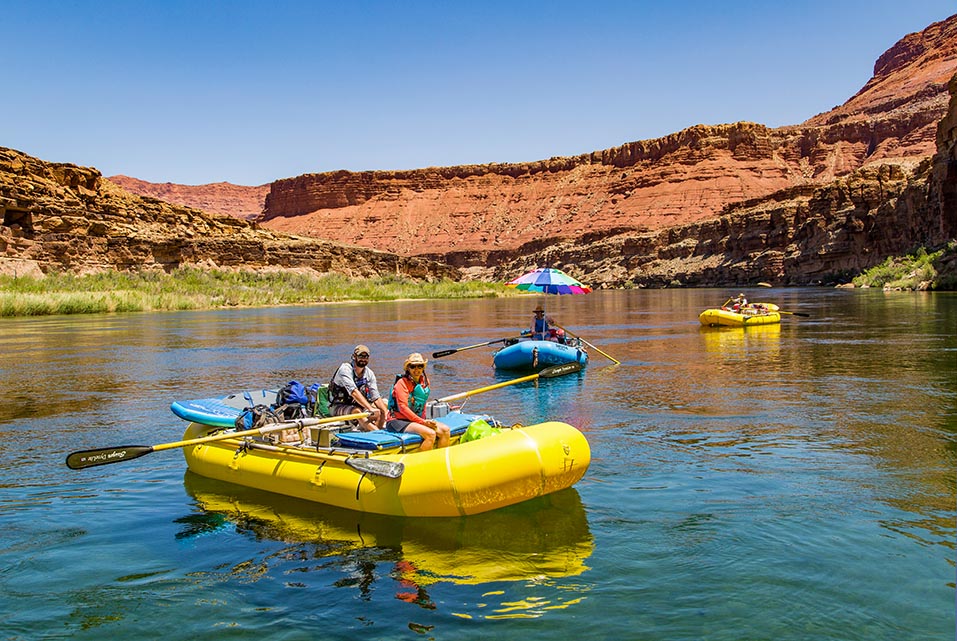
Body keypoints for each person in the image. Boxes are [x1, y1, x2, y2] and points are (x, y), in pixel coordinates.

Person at [386, 353, 450, 451]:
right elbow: (403, 408)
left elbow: (423, 403)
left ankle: (440, 459)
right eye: (413, 366)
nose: (417, 369)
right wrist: (422, 422)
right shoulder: (401, 383)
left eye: (420, 366)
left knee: (445, 430)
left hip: (414, 420)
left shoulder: (424, 382)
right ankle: (422, 463)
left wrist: (425, 420)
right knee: (430, 434)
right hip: (397, 421)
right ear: (408, 368)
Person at [328, 345, 388, 431]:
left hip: (359, 406)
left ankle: (373, 431)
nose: (363, 359)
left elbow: (375, 396)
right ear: (354, 356)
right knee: (357, 411)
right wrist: (370, 408)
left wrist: (385, 412)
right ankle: (377, 433)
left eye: (366, 357)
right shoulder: (345, 369)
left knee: (381, 409)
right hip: (338, 406)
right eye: (360, 356)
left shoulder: (369, 373)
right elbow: (353, 392)